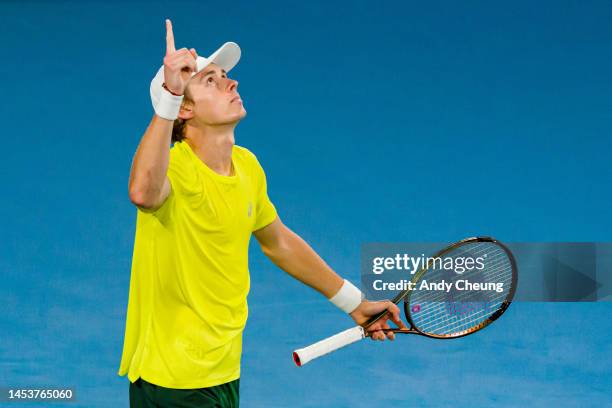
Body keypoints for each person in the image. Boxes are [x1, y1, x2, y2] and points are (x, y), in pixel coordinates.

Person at [118, 19, 406, 407]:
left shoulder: (247, 166)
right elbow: (142, 191)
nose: (231, 84)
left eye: (226, 76)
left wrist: (353, 302)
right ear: (184, 108)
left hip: (222, 370)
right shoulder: (175, 169)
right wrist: (169, 93)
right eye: (211, 81)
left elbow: (278, 242)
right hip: (173, 377)